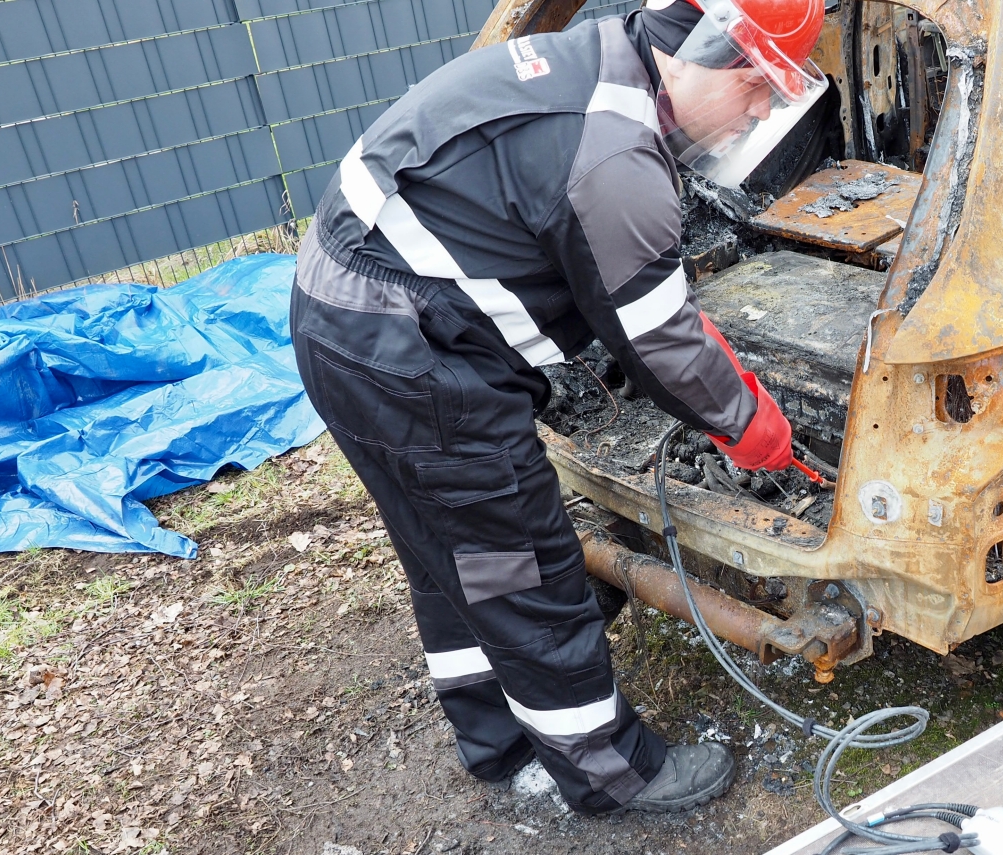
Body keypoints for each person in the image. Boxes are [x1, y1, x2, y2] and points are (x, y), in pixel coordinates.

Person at [287, 0, 827, 814]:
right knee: (524, 569)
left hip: (338, 315)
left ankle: (498, 741)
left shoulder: (591, 59)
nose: (757, 115)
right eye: (757, 92)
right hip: (413, 356)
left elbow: (633, 294)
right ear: (709, 59)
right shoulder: (615, 155)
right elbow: (662, 348)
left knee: (452, 549)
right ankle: (612, 772)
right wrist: (755, 429)